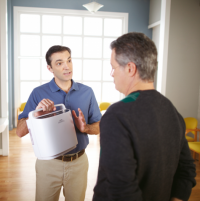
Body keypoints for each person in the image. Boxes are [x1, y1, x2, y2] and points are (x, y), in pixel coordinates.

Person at [93, 32, 196, 201]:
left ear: (130, 68)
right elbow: (186, 170)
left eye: (114, 67)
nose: (112, 73)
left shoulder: (116, 115)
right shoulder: (172, 111)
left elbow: (122, 189)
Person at [16, 45, 102, 201]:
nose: (67, 66)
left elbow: (98, 127)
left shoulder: (87, 92)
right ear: (50, 68)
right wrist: (37, 114)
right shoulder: (38, 93)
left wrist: (86, 127)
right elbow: (20, 132)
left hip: (79, 163)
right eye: (59, 63)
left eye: (69, 60)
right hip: (48, 165)